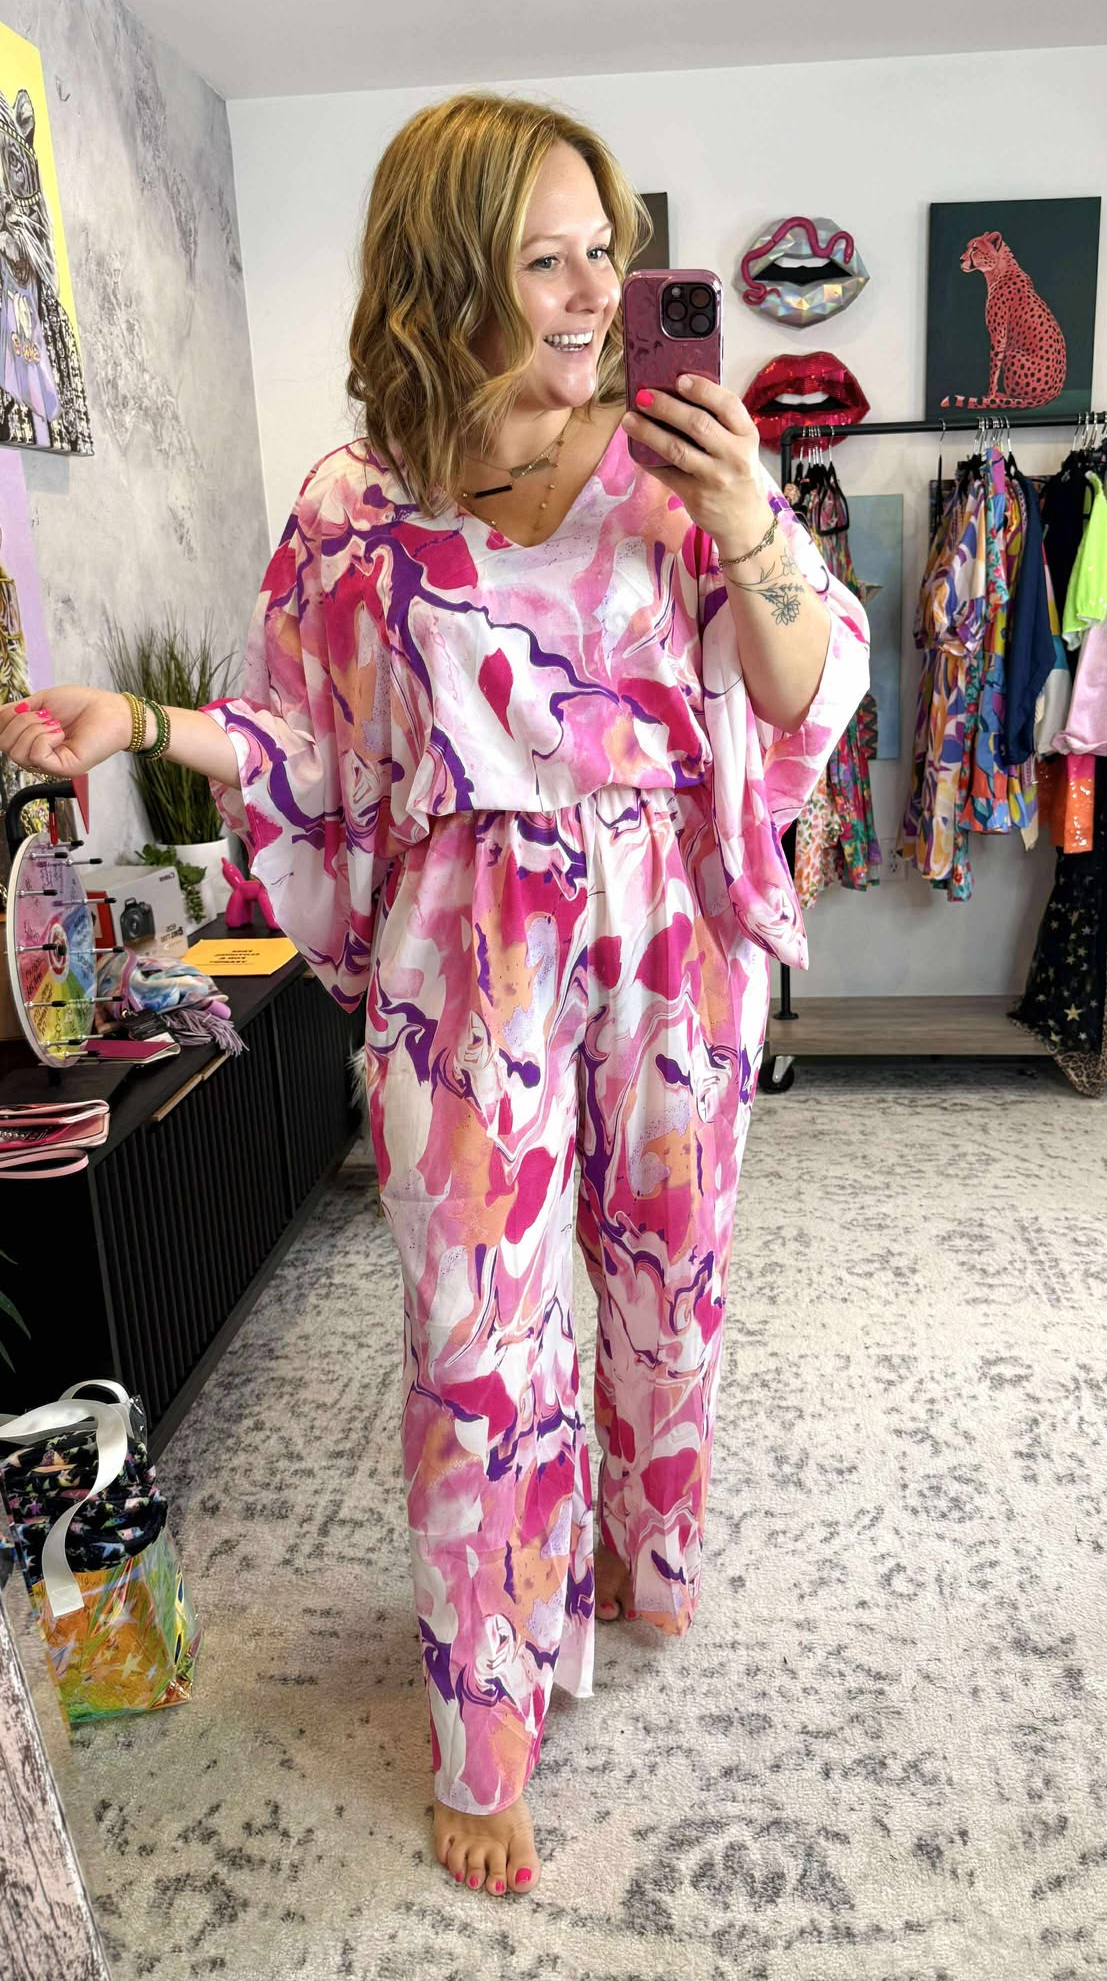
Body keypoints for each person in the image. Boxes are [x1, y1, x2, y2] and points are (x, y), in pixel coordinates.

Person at [0, 92, 869, 1901]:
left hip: (665, 931)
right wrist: (137, 720)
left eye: (605, 252)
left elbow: (806, 695)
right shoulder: (353, 505)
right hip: (464, 958)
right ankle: (487, 1730)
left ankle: (646, 1542)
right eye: (547, 258)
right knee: (478, 1343)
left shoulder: (679, 467)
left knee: (667, 1282)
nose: (594, 291)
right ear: (447, 276)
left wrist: (749, 522)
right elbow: (307, 745)